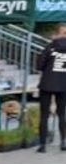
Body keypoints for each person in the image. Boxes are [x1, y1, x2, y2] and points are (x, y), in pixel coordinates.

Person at [36, 23, 66, 152]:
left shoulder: (49, 47)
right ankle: (63, 142)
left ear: (56, 33)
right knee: (62, 114)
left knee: (44, 115)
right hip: (63, 84)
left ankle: (43, 145)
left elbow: (39, 65)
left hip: (47, 84)